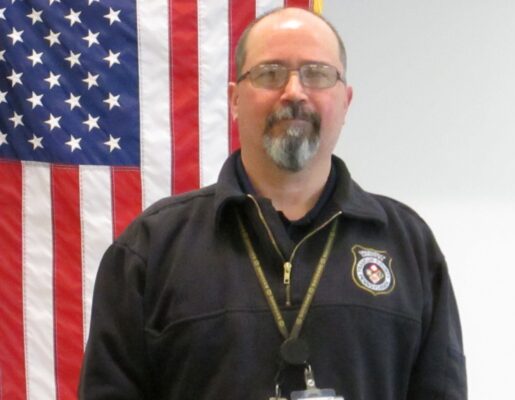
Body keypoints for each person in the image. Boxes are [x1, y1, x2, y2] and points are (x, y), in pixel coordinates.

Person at [79, 7, 467, 400]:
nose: (295, 92)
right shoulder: (152, 248)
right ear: (234, 100)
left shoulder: (408, 246)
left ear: (346, 101)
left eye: (317, 73)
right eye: (270, 73)